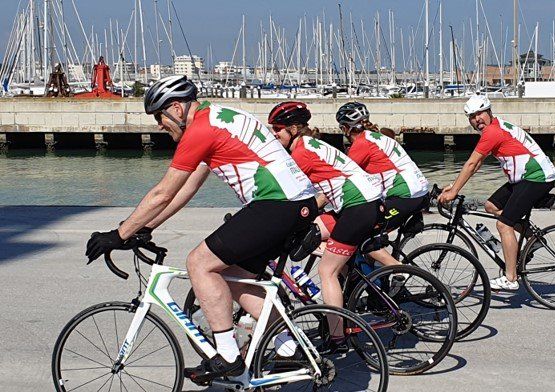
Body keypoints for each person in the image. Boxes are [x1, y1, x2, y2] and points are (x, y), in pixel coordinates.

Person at [84, 75, 318, 384]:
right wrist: (146, 227)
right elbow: (187, 187)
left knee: (199, 263)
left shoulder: (201, 130)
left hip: (277, 204)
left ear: (177, 109)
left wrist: (119, 234)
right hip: (295, 203)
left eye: (159, 116)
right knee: (235, 277)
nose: (158, 125)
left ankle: (228, 357)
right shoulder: (219, 118)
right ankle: (289, 346)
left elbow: (162, 193)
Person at [267, 101, 384, 347]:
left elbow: (284, 195)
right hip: (360, 203)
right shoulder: (311, 144)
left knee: (326, 271)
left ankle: (337, 335)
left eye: (278, 128)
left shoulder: (301, 152)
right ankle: (351, 279)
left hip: (358, 207)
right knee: (314, 231)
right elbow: (322, 191)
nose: (274, 134)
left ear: (295, 129)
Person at [438, 95, 555, 291]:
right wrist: (454, 185)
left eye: (479, 114)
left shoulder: (492, 132)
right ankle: (532, 237)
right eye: (472, 116)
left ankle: (510, 278)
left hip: (537, 177)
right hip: (524, 178)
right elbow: (477, 164)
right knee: (491, 206)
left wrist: (454, 192)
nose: (477, 119)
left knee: (504, 225)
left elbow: (472, 163)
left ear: (489, 112)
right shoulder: (496, 127)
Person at [337, 102, 430, 266]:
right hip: (417, 192)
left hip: (405, 195)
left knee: (363, 234)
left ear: (345, 128)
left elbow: (341, 179)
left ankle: (400, 271)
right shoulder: (377, 137)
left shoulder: (361, 144)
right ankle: (378, 278)